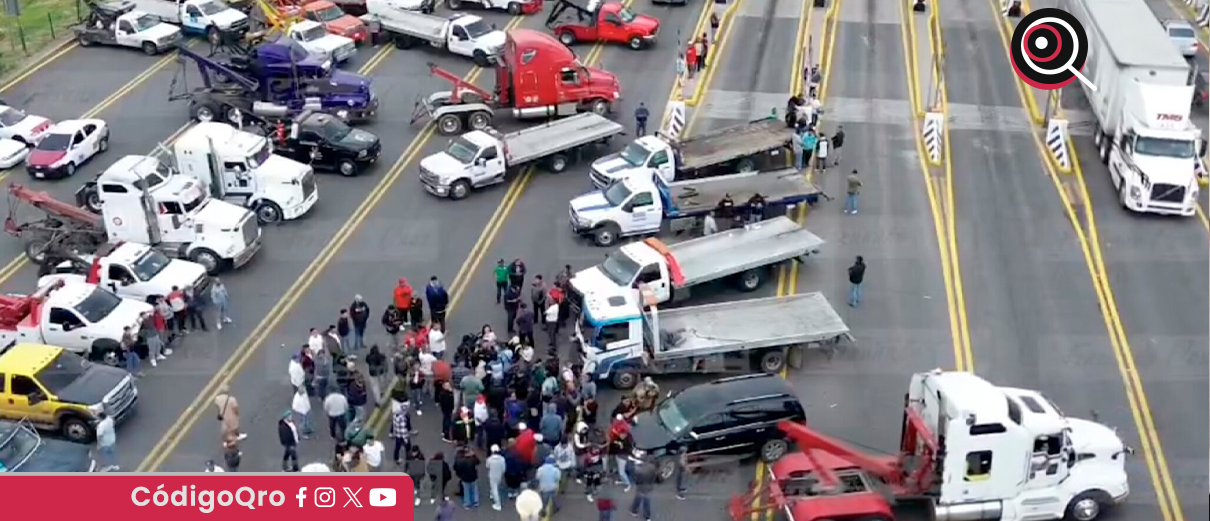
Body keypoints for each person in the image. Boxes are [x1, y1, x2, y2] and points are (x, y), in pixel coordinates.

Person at [629, 454, 657, 521]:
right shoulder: (653, 468)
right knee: (646, 502)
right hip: (649, 487)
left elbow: (637, 479)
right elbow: (654, 477)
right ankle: (647, 516)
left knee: (638, 498)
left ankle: (634, 510)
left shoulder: (640, 469)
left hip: (641, 486)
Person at [390, 395, 413, 465]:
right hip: (402, 435)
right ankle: (408, 459)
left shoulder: (395, 416)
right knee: (408, 447)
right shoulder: (402, 419)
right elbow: (403, 430)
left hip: (397, 434)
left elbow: (394, 425)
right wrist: (406, 439)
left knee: (397, 447)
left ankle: (396, 458)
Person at [486, 444, 507, 511]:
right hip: (499, 475)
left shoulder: (489, 459)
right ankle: (492, 494)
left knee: (494, 489)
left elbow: (487, 466)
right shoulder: (502, 459)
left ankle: (498, 504)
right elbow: (504, 469)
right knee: (496, 486)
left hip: (492, 475)